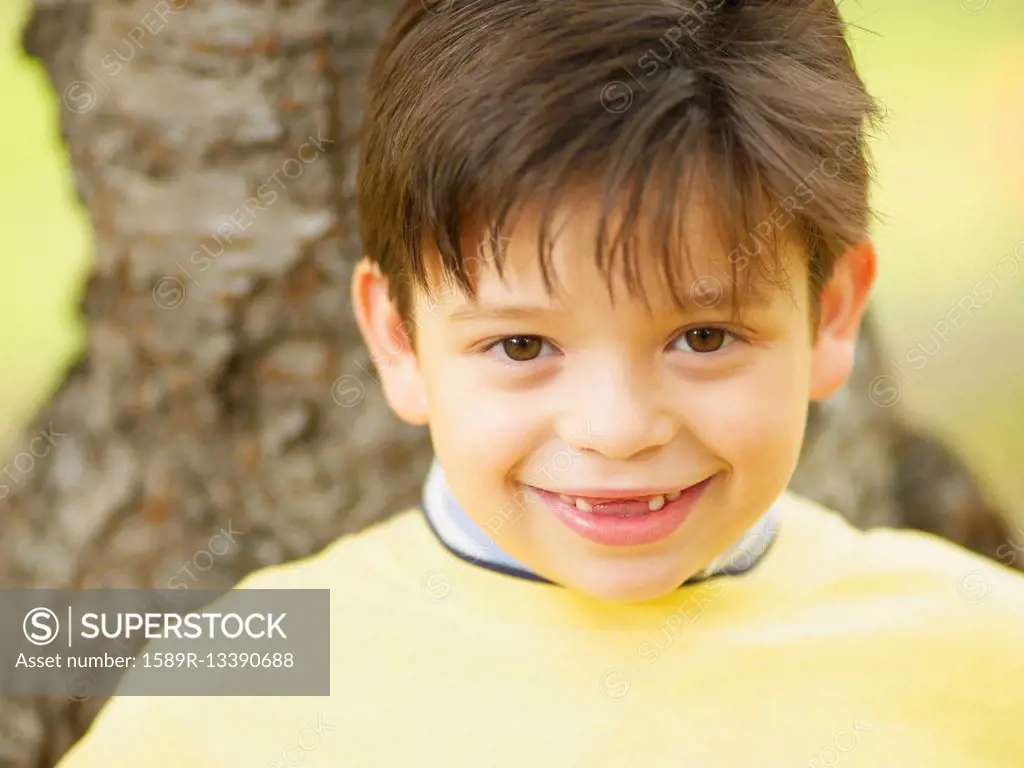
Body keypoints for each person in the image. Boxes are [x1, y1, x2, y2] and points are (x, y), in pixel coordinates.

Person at [57, 1, 1024, 765]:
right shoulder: (239, 682)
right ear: (398, 339)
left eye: (701, 334)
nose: (615, 430)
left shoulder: (981, 659)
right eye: (522, 347)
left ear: (831, 317)